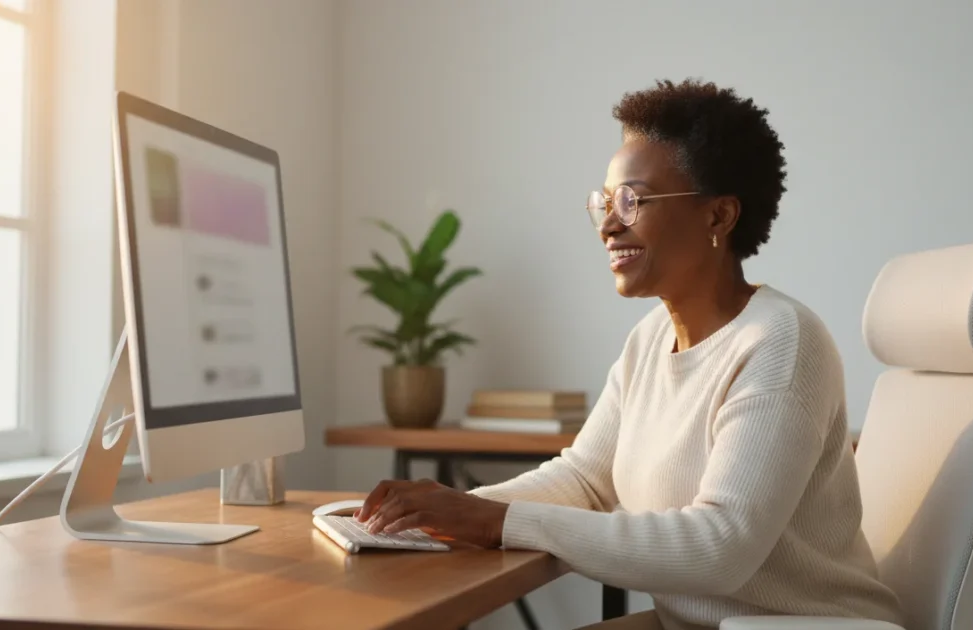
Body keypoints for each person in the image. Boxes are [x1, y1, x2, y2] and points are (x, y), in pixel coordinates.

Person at [354, 79, 905, 630]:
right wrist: (437, 514)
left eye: (632, 201)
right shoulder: (649, 338)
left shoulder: (782, 342)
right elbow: (586, 480)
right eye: (604, 203)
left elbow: (721, 546)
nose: (609, 225)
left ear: (719, 217)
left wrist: (494, 521)